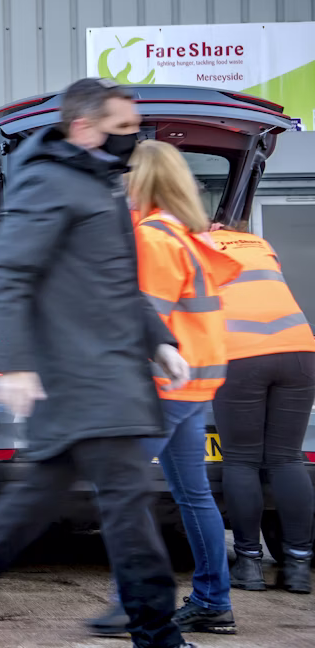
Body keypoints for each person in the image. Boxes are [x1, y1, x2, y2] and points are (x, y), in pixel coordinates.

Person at [0, 78, 194, 648]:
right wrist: (14, 363)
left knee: (37, 502)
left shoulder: (102, 185)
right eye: (122, 131)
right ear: (85, 128)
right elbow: (11, 275)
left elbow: (117, 283)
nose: (133, 142)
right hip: (82, 377)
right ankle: (157, 635)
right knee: (128, 503)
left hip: (107, 372)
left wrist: (160, 341)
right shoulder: (50, 183)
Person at [87, 140, 242, 637]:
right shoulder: (184, 232)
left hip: (163, 387)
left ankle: (132, 602)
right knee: (194, 495)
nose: (122, 182)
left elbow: (141, 323)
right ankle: (213, 600)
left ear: (145, 180)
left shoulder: (154, 238)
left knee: (121, 491)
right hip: (194, 384)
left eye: (128, 174)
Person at [211, 223, 315, 594]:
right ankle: (299, 567)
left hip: (242, 355)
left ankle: (249, 565)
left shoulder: (187, 244)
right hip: (300, 350)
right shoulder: (258, 243)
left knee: (241, 460)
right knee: (287, 459)